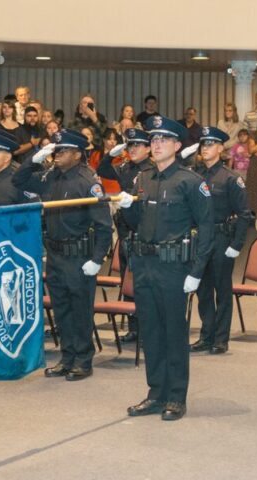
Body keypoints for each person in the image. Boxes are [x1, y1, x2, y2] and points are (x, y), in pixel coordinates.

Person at [113, 116, 213, 421]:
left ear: (177, 145)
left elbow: (208, 229)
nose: (155, 145)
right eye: (153, 140)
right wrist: (126, 209)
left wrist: (196, 272)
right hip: (143, 264)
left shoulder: (190, 181)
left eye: (162, 140)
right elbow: (132, 226)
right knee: (151, 332)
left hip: (173, 268)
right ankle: (155, 393)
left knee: (173, 332)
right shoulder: (142, 179)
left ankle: (176, 396)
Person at [13, 130, 114, 380]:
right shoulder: (49, 176)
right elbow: (19, 180)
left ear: (78, 154)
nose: (57, 155)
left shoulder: (87, 181)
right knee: (61, 310)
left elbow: (104, 225)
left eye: (63, 151)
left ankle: (83, 359)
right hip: (56, 253)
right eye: (56, 150)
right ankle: (67, 357)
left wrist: (97, 260)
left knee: (80, 310)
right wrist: (35, 158)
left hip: (80, 256)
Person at [189, 127, 252, 354]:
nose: (205, 149)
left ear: (219, 148)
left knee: (222, 291)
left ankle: (221, 339)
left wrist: (236, 245)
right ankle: (206, 335)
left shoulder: (230, 178)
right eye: (203, 145)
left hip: (220, 237)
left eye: (210, 145)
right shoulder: (194, 176)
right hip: (199, 239)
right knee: (202, 289)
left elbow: (245, 214)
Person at [97, 128, 153, 343]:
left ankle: (147, 328)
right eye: (130, 145)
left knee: (143, 282)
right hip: (124, 231)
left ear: (148, 148)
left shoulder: (152, 170)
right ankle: (134, 328)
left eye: (137, 145)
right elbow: (103, 169)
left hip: (142, 231)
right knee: (127, 281)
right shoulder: (124, 167)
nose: (133, 149)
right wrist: (112, 153)